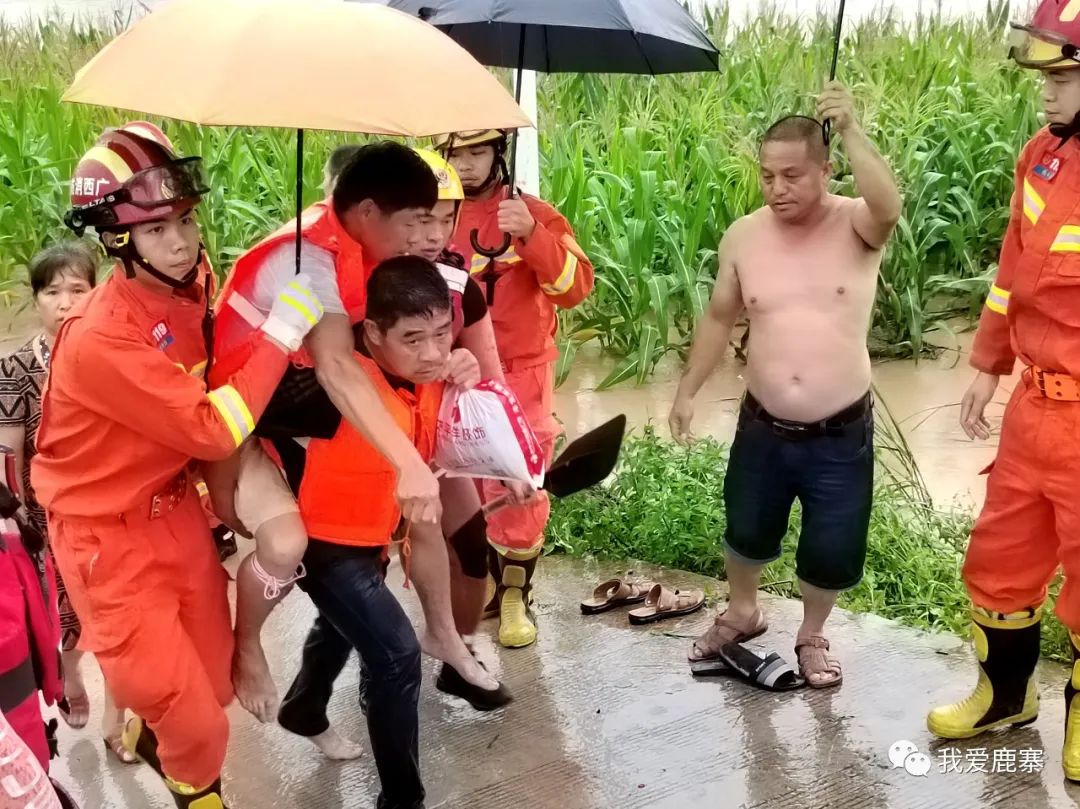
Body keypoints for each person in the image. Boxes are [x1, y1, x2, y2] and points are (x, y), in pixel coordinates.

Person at [30, 121, 325, 809]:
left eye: (188, 219)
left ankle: (152, 723)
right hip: (109, 538)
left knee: (214, 684)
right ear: (116, 238)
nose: (183, 239)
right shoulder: (102, 335)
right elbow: (212, 426)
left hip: (176, 512)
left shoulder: (189, 288)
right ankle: (199, 792)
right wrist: (282, 333)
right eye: (159, 229)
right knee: (193, 718)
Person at [206, 142, 499, 731]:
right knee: (295, 548)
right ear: (367, 212)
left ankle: (433, 634)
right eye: (415, 222)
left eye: (439, 222)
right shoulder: (306, 261)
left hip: (303, 410)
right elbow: (339, 367)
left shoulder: (359, 250)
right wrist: (409, 464)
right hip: (253, 421)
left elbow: (390, 350)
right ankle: (248, 644)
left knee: (393, 534)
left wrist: (453, 365)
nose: (426, 237)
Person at [667, 84, 902, 687]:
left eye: (792, 175)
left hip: (840, 427)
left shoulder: (857, 225)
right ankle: (742, 612)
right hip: (763, 422)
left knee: (830, 545)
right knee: (745, 528)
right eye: (768, 176)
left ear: (825, 169)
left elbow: (890, 205)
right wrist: (687, 390)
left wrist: (850, 127)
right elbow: (720, 317)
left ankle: (812, 632)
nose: (777, 189)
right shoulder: (745, 236)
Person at [928, 0, 1080, 780]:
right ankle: (1004, 696)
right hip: (1032, 406)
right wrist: (987, 365)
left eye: (1065, 74)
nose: (1048, 92)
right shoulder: (1040, 157)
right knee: (999, 557)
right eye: (1046, 76)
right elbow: (1011, 271)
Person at [278, 255, 482, 809]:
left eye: (442, 334)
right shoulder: (326, 386)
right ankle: (402, 799)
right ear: (371, 332)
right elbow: (248, 416)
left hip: (379, 539)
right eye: (413, 339)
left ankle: (303, 707)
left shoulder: (437, 374)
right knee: (395, 655)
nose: (432, 353)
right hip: (321, 543)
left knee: (343, 628)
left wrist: (469, 370)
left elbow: (461, 437)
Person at [435, 129, 594, 648]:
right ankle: (474, 580)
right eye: (455, 153)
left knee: (519, 480)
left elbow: (574, 289)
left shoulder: (534, 211)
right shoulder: (433, 216)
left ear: (498, 153)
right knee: (458, 483)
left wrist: (531, 236)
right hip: (450, 370)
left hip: (523, 371)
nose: (467, 165)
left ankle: (513, 595)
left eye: (478, 152)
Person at [0, 244, 135, 761]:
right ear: (36, 300)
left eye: (77, 290)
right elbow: (8, 456)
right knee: (71, 628)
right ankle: (71, 675)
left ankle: (114, 719)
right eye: (51, 291)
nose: (63, 302)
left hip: (111, 516)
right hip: (46, 524)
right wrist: (12, 521)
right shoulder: (16, 368)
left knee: (120, 622)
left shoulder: (113, 356)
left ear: (96, 293)